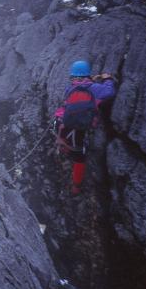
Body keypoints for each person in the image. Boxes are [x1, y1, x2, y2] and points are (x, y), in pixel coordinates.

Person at [53, 60, 116, 195]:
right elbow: (109, 92)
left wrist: (90, 80)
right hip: (77, 128)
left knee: (65, 140)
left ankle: (64, 148)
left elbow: (81, 86)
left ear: (73, 76)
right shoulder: (95, 88)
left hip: (60, 122)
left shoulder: (70, 88)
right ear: (87, 74)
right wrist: (108, 79)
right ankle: (76, 187)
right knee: (79, 158)